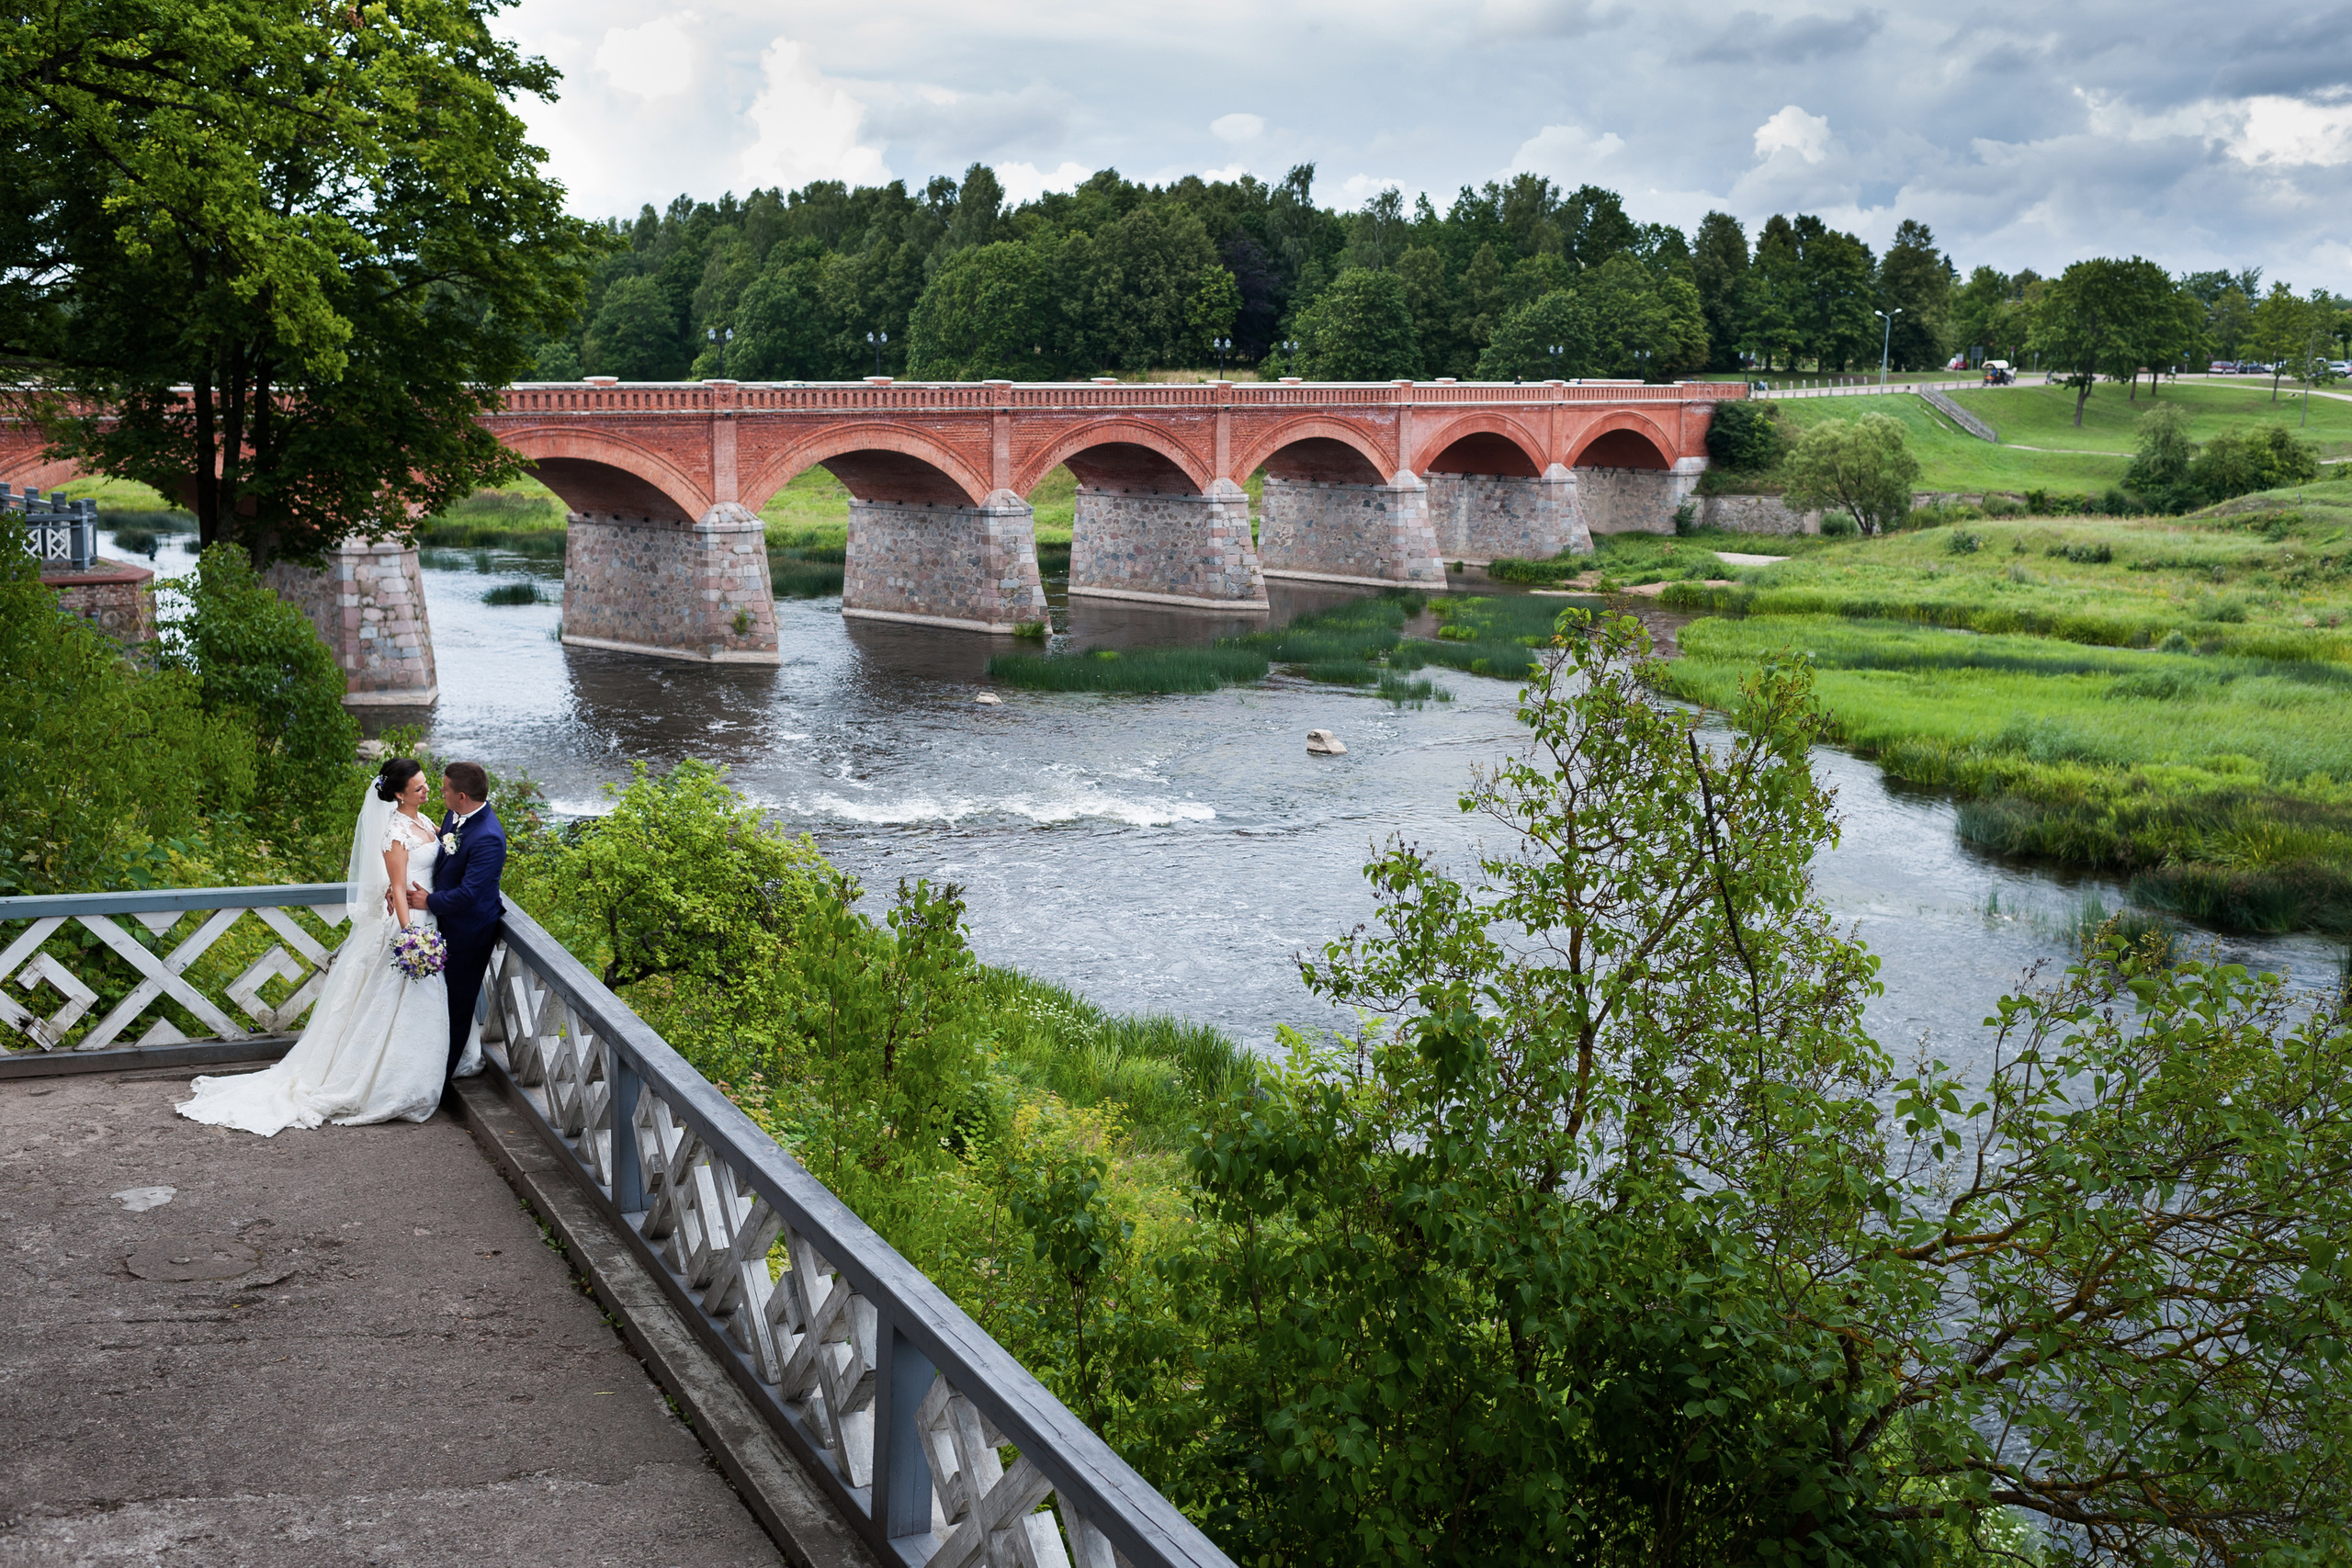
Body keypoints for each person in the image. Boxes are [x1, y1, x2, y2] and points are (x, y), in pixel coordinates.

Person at [175, 759, 456, 1134]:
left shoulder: (423, 821)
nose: (427, 791)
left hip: (430, 914)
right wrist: (410, 936)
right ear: (399, 794)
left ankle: (417, 1080)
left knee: (421, 1004)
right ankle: (384, 1085)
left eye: (425, 785)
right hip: (410, 925)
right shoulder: (394, 833)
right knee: (394, 1001)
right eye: (419, 787)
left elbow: (437, 853)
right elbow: (399, 888)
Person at [401, 760, 507, 1113]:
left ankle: (439, 1087)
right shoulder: (453, 818)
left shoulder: (489, 836)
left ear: (461, 796)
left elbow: (470, 895)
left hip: (469, 933)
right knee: (433, 1004)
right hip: (440, 925)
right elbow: (442, 858)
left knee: (457, 1009)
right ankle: (422, 1070)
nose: (438, 792)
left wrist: (427, 900)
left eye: (444, 789)